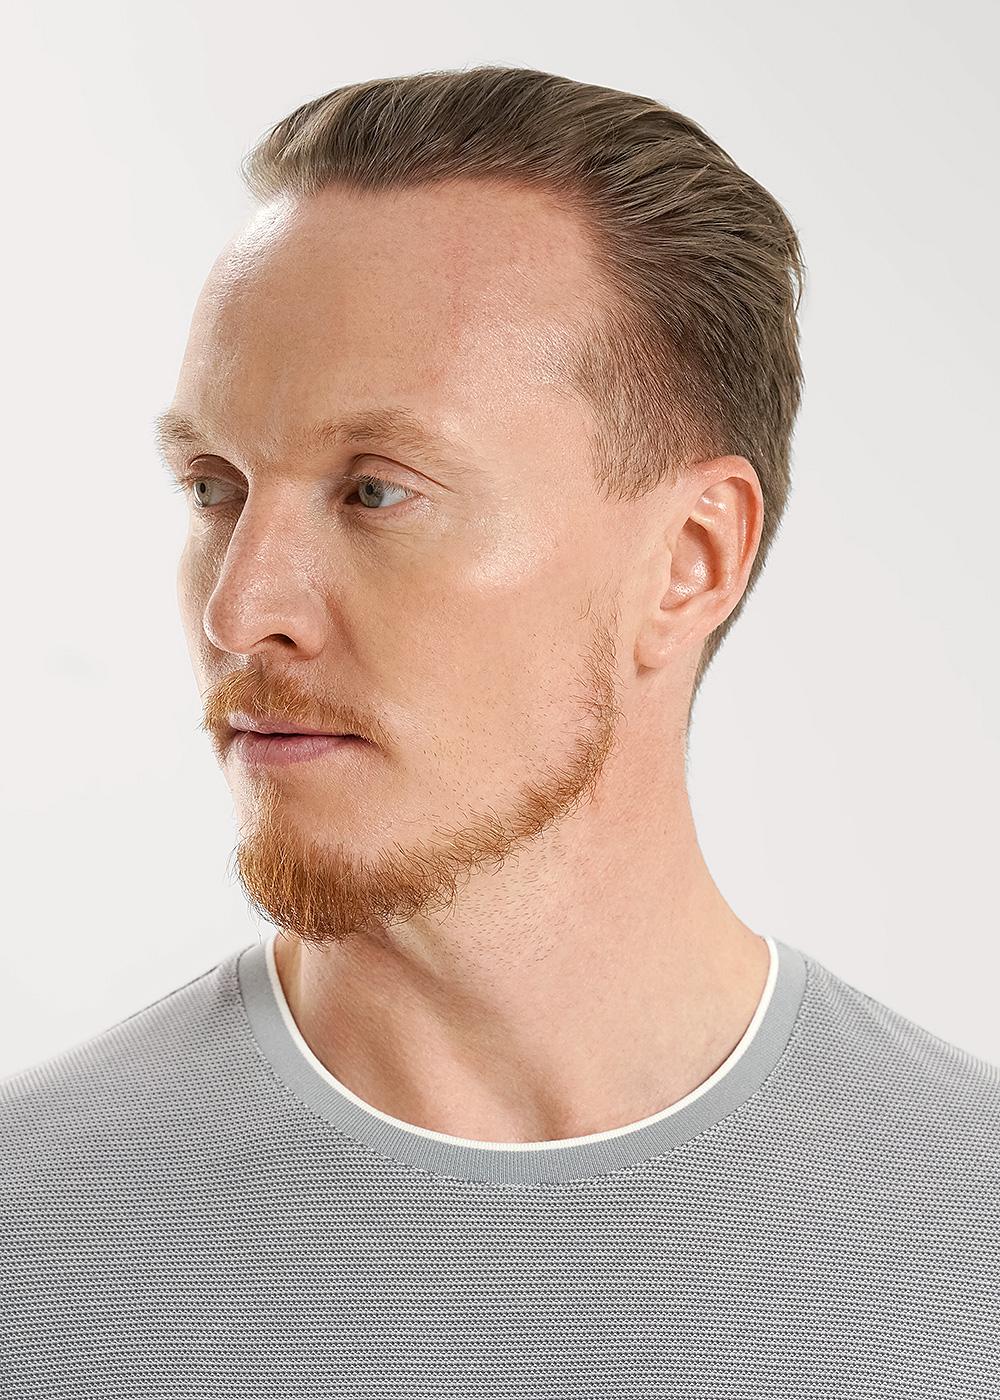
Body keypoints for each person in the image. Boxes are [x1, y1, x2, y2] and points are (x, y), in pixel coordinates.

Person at [2, 64, 997, 1398]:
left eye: (375, 490)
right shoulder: (32, 1242)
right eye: (214, 486)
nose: (242, 610)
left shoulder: (969, 1234)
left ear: (690, 561)